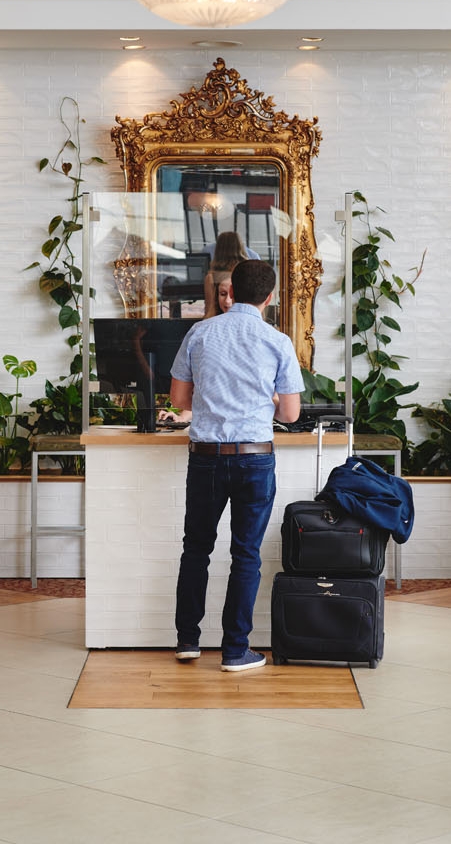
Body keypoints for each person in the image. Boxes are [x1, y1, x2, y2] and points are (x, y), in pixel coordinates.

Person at [168, 259, 303, 672]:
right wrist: (269, 399)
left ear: (231, 291)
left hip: (206, 458)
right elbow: (291, 415)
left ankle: (187, 641)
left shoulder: (200, 332)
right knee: (246, 554)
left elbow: (179, 400)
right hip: (254, 459)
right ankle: (235, 650)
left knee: (196, 549)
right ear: (269, 297)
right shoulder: (277, 341)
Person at [202, 231, 247, 317]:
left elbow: (209, 310)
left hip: (218, 321)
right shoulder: (247, 273)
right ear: (240, 247)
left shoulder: (211, 277)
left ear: (218, 249)